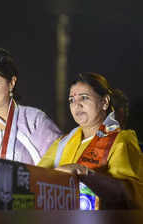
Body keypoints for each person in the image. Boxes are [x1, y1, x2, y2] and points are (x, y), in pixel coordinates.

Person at [38, 72, 143, 209]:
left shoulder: (121, 140)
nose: (77, 105)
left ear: (104, 102)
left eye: (84, 98)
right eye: (71, 100)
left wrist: (85, 173)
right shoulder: (62, 143)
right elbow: (36, 177)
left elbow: (130, 194)